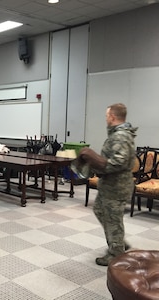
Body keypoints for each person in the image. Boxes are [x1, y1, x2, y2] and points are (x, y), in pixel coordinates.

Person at [75, 103, 137, 266]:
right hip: (109, 184)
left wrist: (101, 165)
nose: (106, 119)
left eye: (106, 116)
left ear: (112, 117)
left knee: (112, 217)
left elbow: (119, 162)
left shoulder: (120, 136)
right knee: (100, 210)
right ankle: (118, 241)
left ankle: (116, 254)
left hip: (117, 186)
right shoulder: (117, 134)